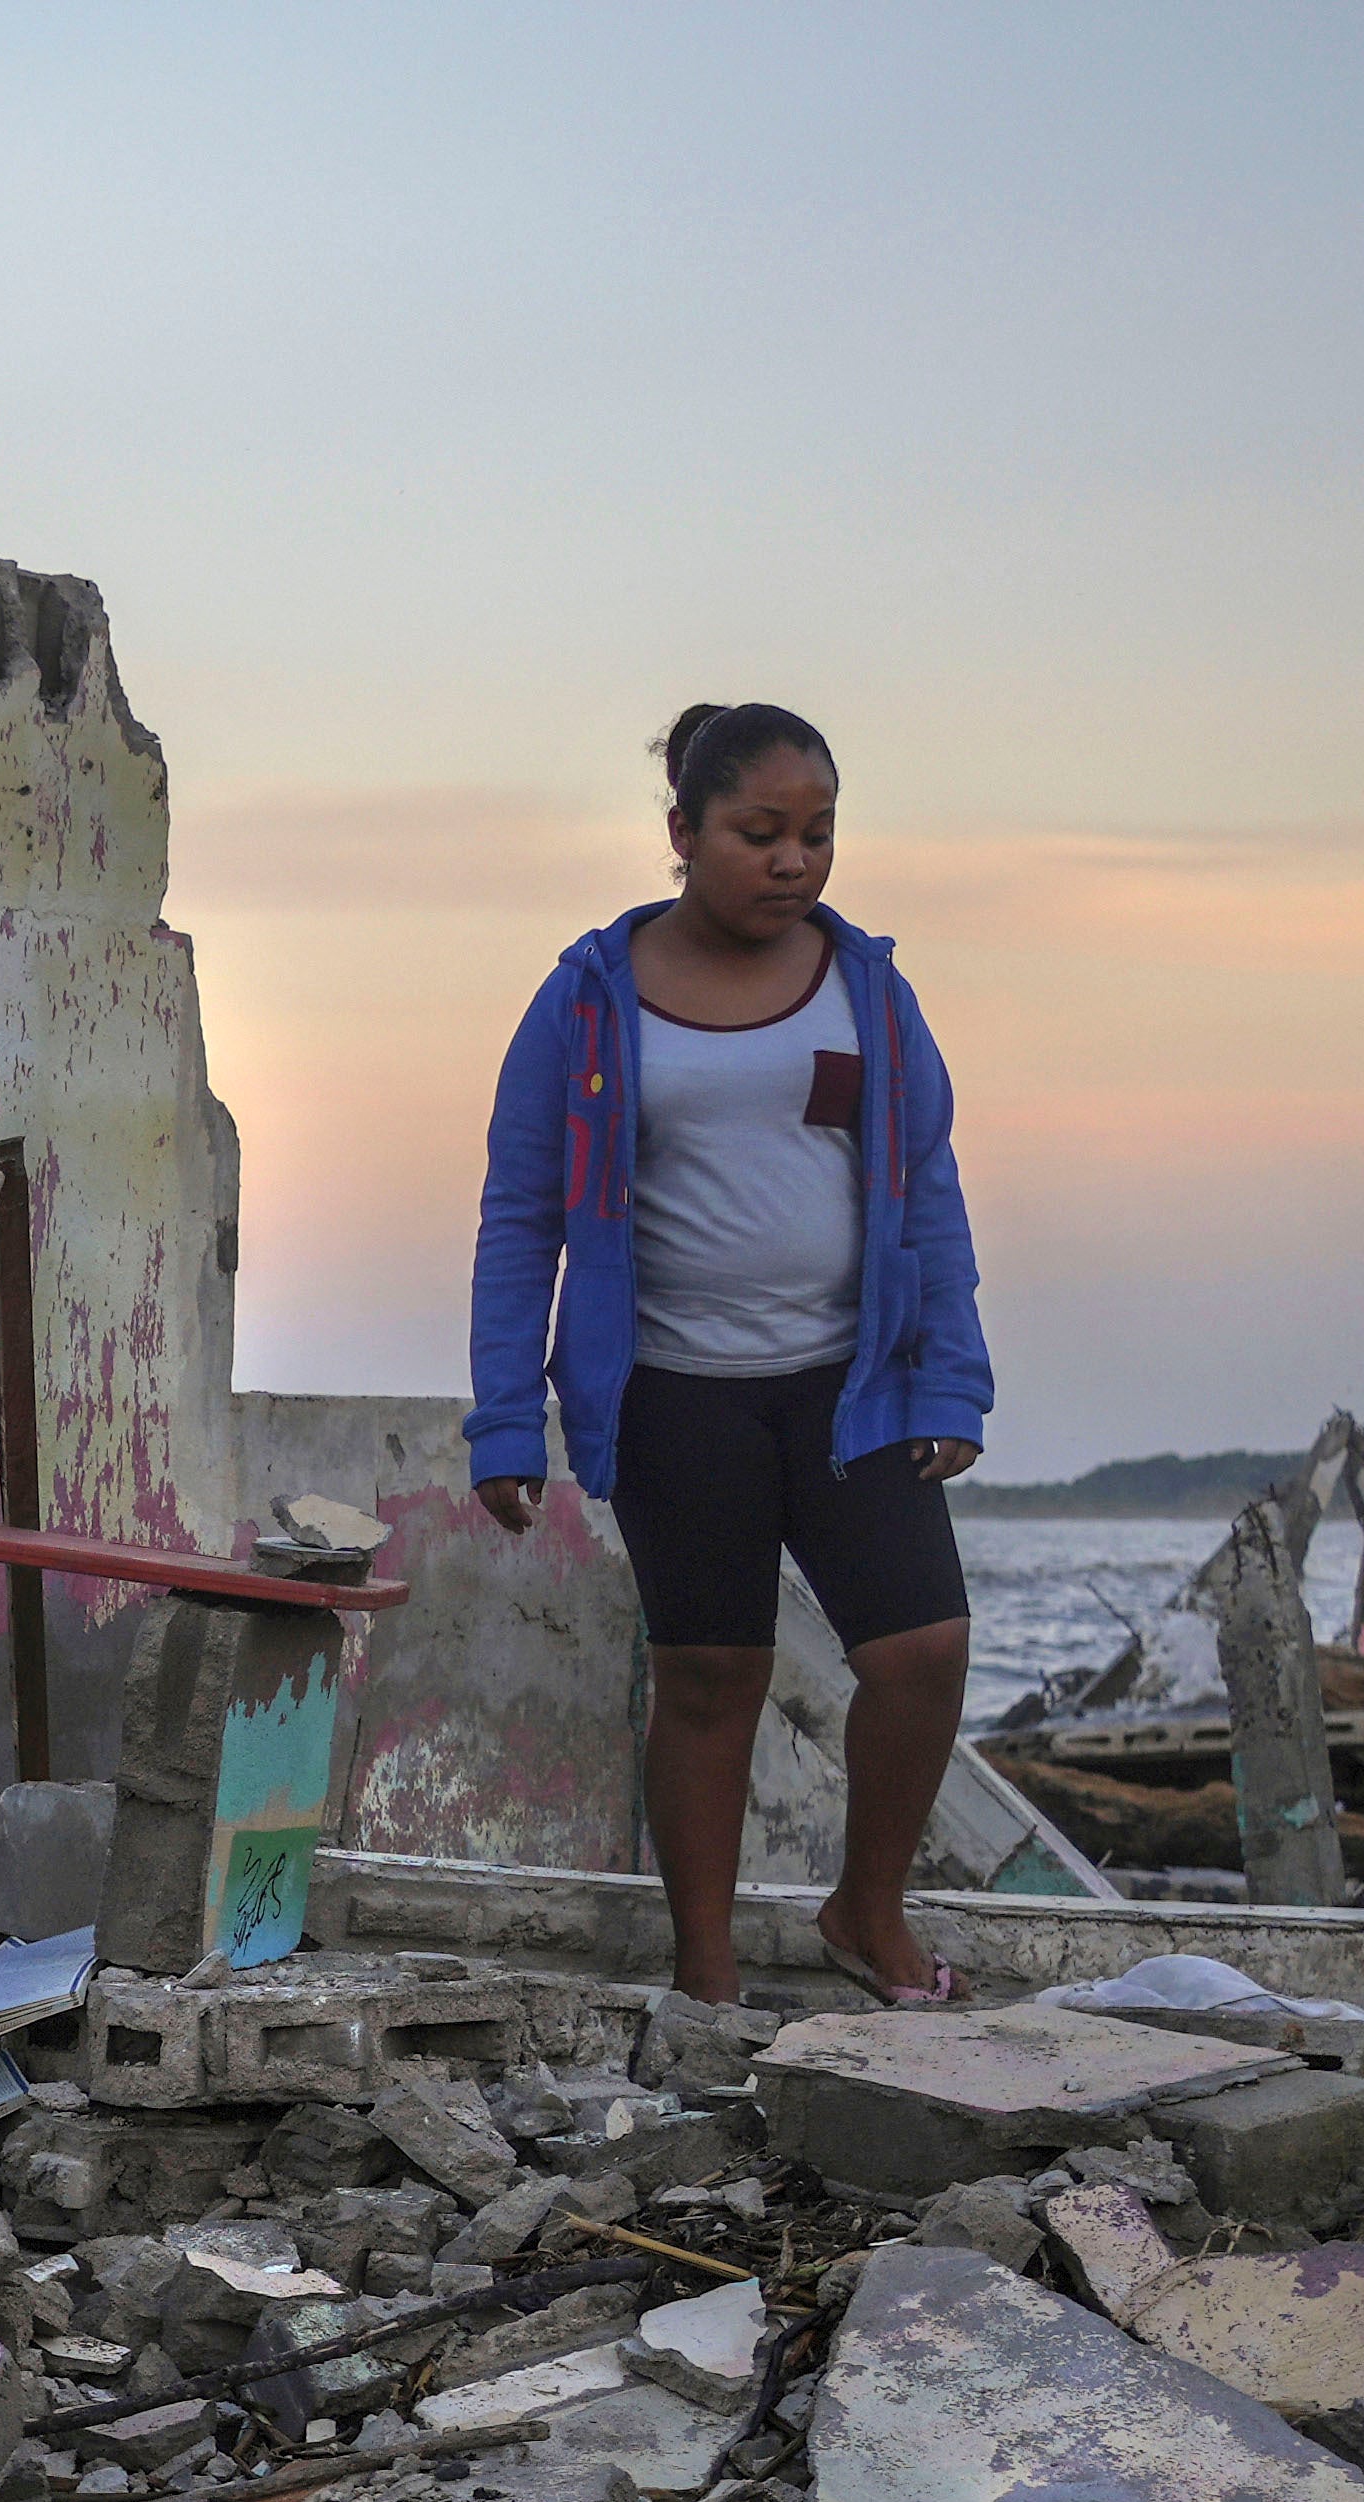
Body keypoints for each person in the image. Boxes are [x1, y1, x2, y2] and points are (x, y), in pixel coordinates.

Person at [464, 700, 994, 2007]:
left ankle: (869, 1912)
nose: (794, 860)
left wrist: (952, 1376)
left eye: (816, 835)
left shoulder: (867, 990)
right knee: (710, 1676)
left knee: (921, 1654)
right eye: (761, 832)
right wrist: (504, 1419)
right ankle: (707, 1977)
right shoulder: (588, 998)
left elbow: (926, 1186)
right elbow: (522, 1216)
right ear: (682, 833)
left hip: (851, 1387)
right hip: (673, 1395)